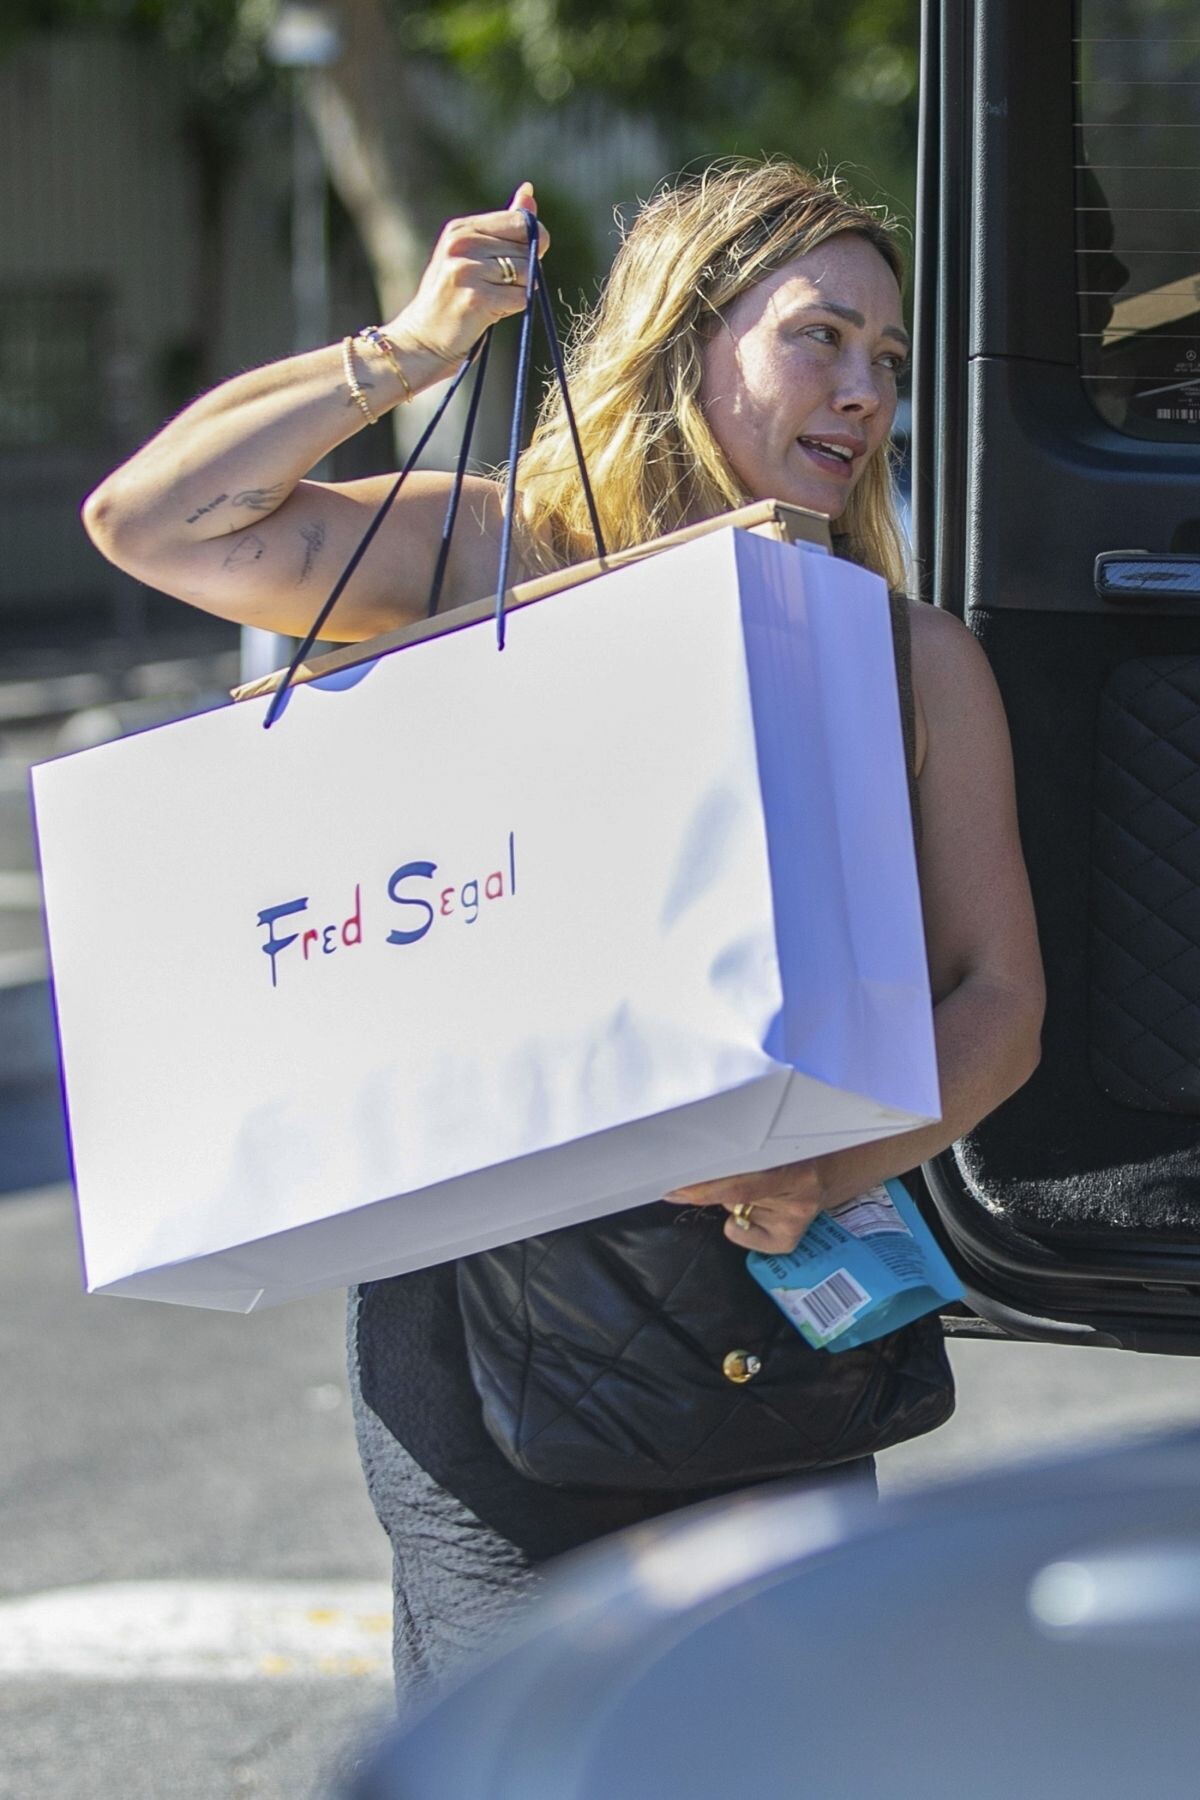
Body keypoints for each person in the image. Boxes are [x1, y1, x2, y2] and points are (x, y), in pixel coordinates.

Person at [83, 157, 1045, 1701]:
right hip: (477, 1326)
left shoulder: (911, 652)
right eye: (819, 336)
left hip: (762, 1312)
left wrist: (826, 1169)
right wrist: (406, 351)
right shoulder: (496, 556)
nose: (865, 391)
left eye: (886, 357)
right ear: (684, 334)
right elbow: (153, 523)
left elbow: (999, 1001)